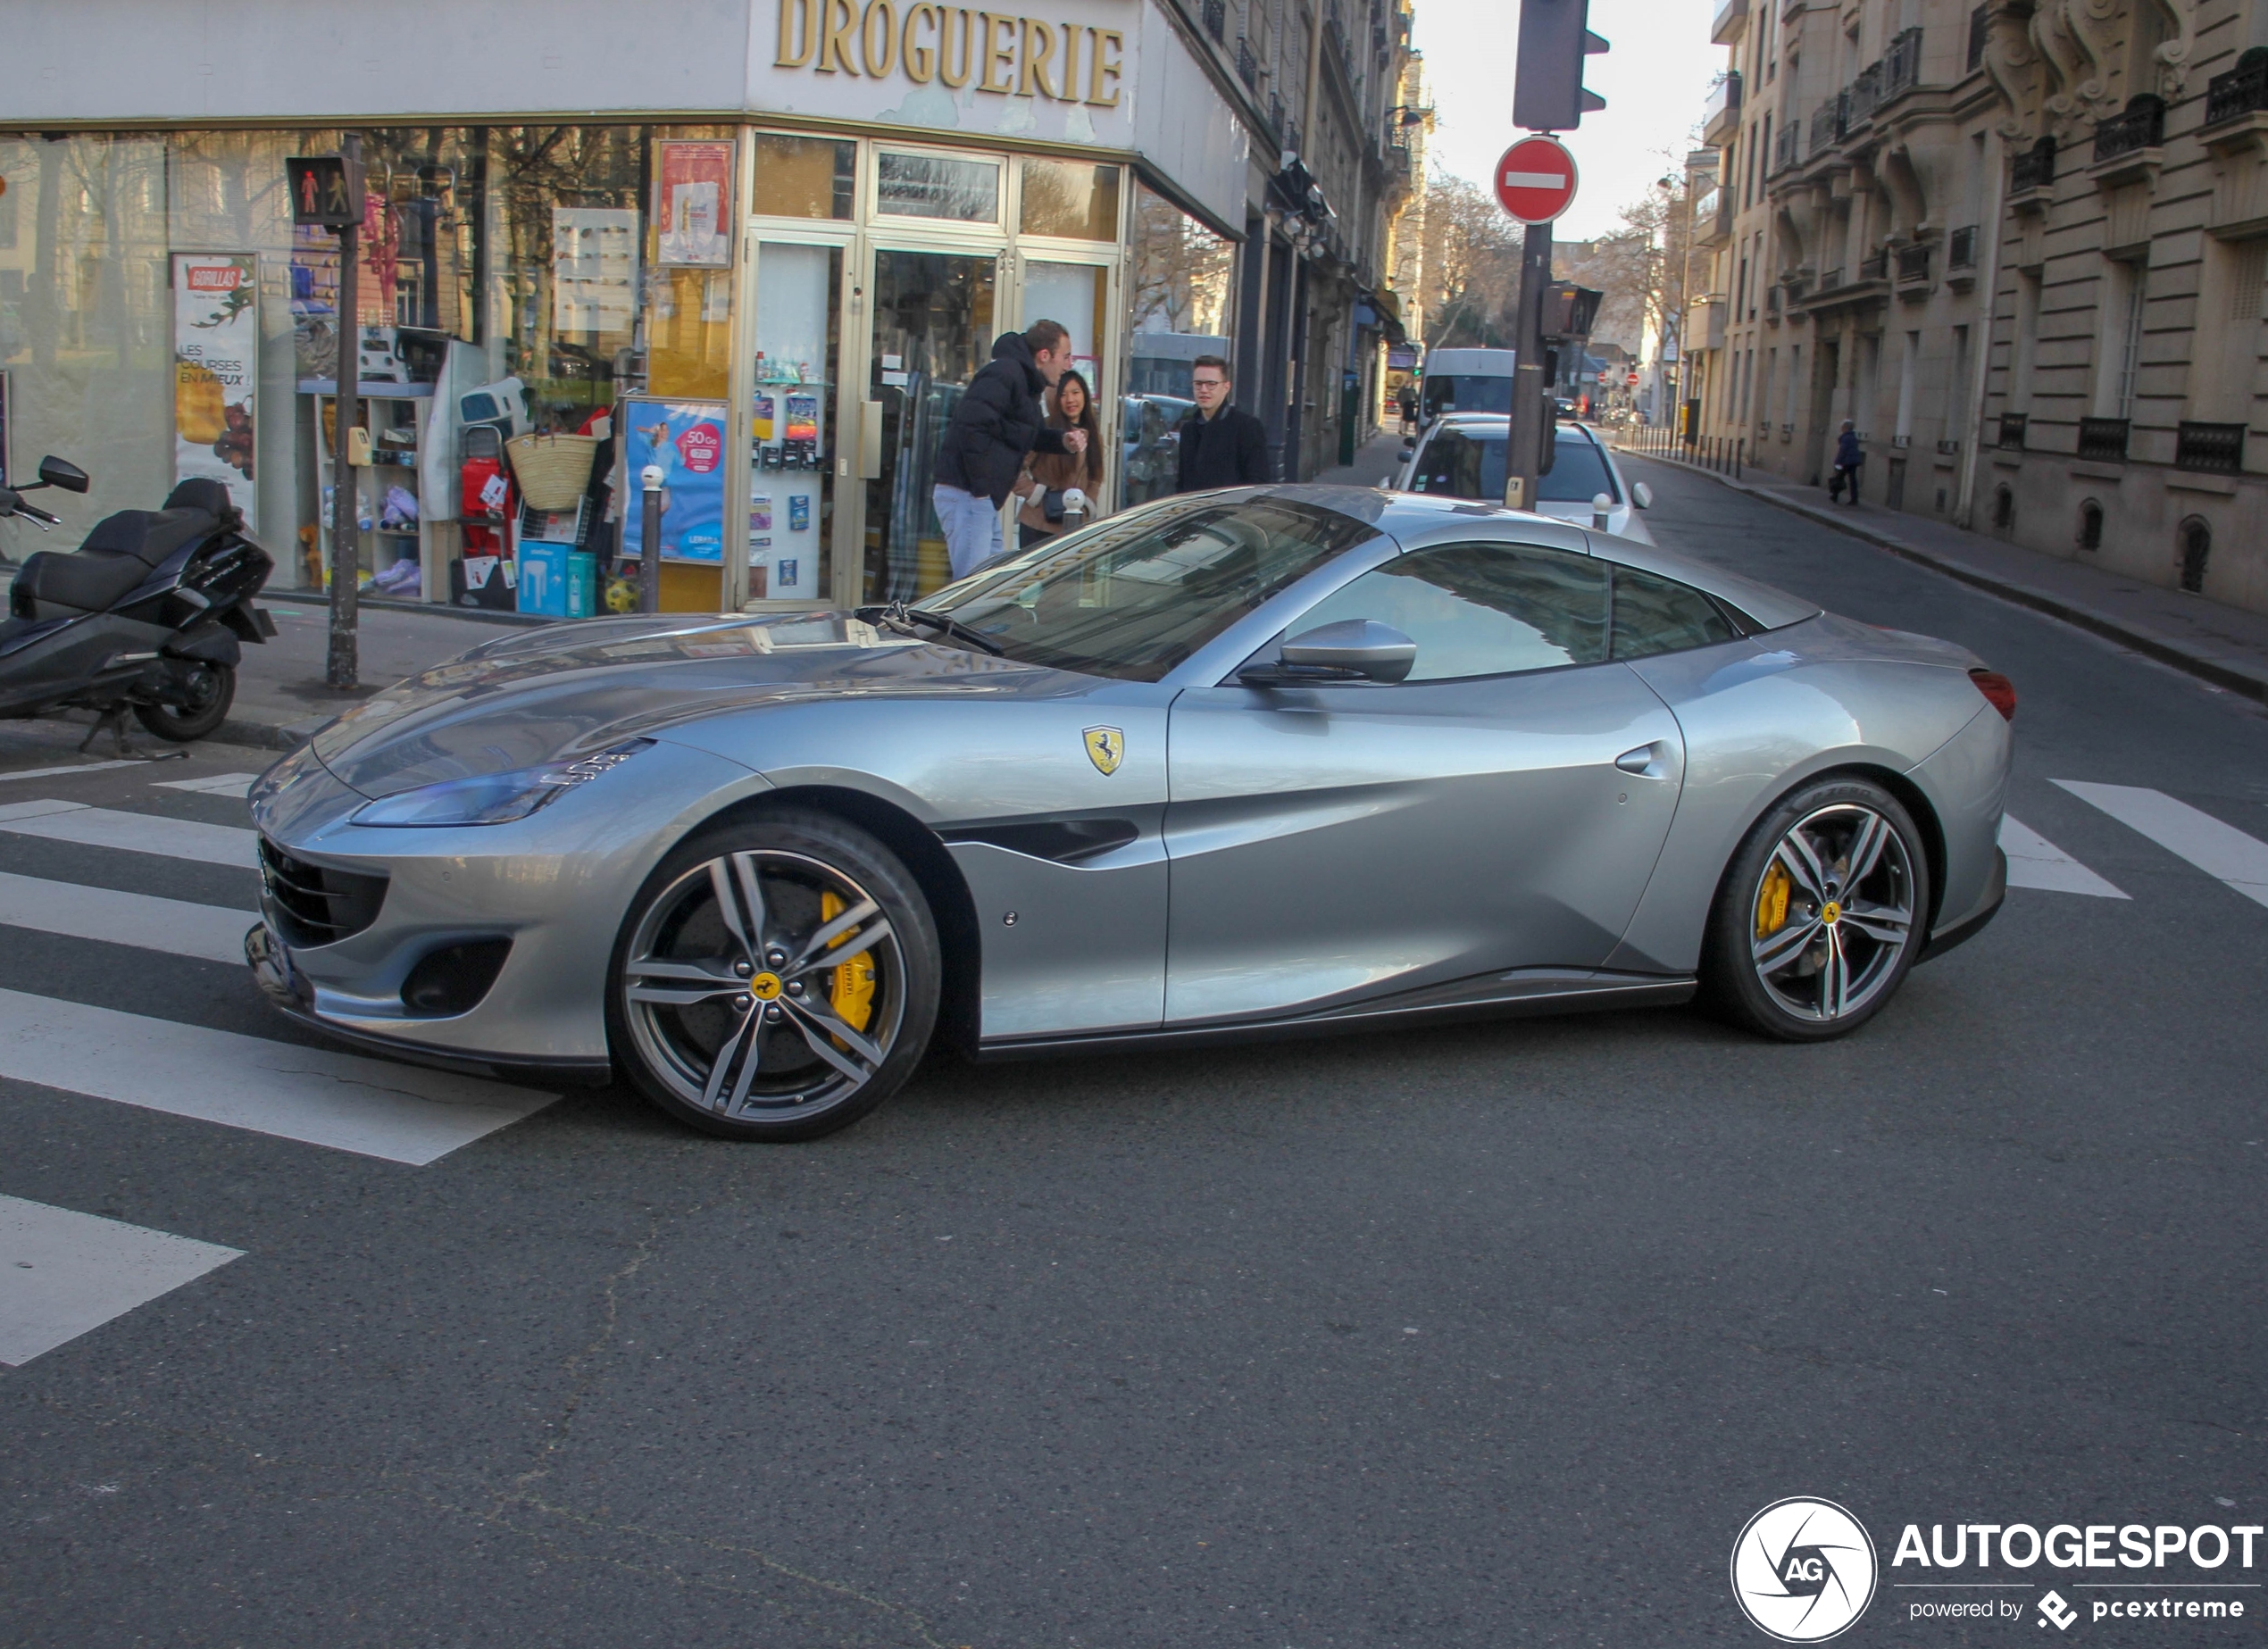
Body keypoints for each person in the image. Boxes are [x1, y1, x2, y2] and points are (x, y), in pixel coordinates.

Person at [933, 319, 1088, 579]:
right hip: (969, 493)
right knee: (971, 586)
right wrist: (982, 489)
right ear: (1044, 355)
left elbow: (1031, 434)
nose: (1068, 365)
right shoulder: (1006, 374)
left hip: (978, 496)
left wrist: (1064, 441)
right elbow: (972, 427)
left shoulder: (1026, 384)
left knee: (988, 581)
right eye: (1066, 356)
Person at [1015, 369, 1106, 550]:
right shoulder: (1046, 430)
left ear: (1085, 396)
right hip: (1038, 523)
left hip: (1074, 525)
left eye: (1075, 392)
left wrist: (1087, 503)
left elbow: (1096, 476)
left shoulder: (1094, 434)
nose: (1070, 400)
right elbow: (1015, 466)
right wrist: (1036, 494)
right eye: (1063, 394)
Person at [1174, 355, 1272, 492]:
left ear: (1226, 387)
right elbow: (1183, 483)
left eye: (1211, 384)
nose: (1203, 390)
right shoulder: (1188, 430)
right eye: (1198, 384)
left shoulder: (1247, 427)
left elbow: (1257, 484)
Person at [1830, 419, 1863, 505]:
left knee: (1838, 478)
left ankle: (1835, 496)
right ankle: (1854, 498)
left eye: (1842, 427)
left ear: (1845, 428)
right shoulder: (1853, 437)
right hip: (1854, 461)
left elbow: (1843, 451)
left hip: (1846, 461)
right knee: (1852, 480)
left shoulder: (1845, 437)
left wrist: (1837, 462)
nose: (1841, 428)